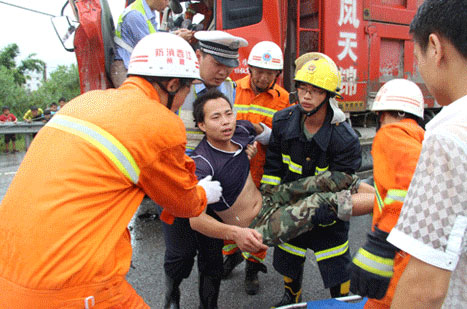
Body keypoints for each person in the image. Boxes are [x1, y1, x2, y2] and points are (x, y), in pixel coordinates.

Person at [0, 32, 223, 308]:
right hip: (68, 285)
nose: (184, 100)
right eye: (187, 90)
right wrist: (202, 193)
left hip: (9, 271)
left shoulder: (86, 101)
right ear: (173, 84)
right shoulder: (159, 122)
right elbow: (183, 202)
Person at [187, 89, 374, 304]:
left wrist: (256, 144)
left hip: (269, 198)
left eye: (229, 113)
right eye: (216, 117)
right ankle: (391, 206)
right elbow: (195, 220)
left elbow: (264, 132)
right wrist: (236, 234)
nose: (226, 122)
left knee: (328, 179)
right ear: (201, 125)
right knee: (322, 204)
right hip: (257, 224)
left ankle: (385, 195)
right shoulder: (203, 164)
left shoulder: (240, 130)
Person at [261, 53, 363, 306]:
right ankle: (292, 294)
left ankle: (340, 301)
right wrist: (269, 197)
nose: (306, 97)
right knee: (289, 257)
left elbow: (343, 186)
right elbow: (274, 163)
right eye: (302, 89)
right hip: (289, 208)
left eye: (315, 91)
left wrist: (324, 210)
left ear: (329, 96)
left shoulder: (345, 139)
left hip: (327, 216)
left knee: (336, 263)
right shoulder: (283, 122)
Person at [386, 1, 467, 308]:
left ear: (435, 47)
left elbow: (426, 286)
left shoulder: (450, 135)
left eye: (417, 56)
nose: (419, 66)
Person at [162, 30, 248, 309]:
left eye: (228, 65)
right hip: (179, 184)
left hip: (215, 186)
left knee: (212, 256)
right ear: (198, 56)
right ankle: (171, 295)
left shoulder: (230, 89)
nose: (223, 72)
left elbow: (227, 133)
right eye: (217, 64)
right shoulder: (174, 88)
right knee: (180, 254)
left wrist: (239, 148)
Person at [348, 79, 425, 308]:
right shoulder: (420, 137)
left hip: (399, 253)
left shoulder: (392, 134)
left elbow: (409, 190)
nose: (380, 121)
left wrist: (380, 244)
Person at [222, 40, 290, 295]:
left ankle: (253, 266)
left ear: (277, 75)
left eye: (269, 73)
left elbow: (282, 138)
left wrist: (261, 132)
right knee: (227, 215)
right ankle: (231, 255)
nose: (262, 77)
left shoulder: (283, 99)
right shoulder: (231, 88)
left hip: (262, 169)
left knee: (258, 220)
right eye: (258, 71)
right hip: (231, 166)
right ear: (249, 68)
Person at [111, 0, 193, 88]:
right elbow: (150, 48)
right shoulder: (134, 15)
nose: (168, 4)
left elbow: (154, 35)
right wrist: (177, 39)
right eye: (166, 0)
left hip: (133, 67)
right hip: (124, 69)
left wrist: (174, 34)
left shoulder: (148, 12)